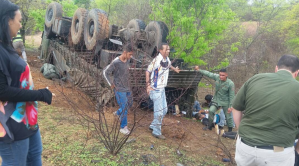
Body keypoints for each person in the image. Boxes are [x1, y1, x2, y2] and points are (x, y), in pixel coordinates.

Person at [0, 0, 53, 165]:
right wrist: (40, 94)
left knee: (35, 156)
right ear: (8, 20)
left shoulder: (6, 46)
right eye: (19, 20)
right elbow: (2, 91)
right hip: (11, 123)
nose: (20, 25)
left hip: (27, 120)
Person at [231, 55, 299, 166]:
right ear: (297, 73)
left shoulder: (255, 79)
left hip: (246, 148)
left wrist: (241, 131)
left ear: (276, 68)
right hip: (278, 153)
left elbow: (236, 108)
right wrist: (297, 151)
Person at [146, 43, 180, 140]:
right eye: (166, 49)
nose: (168, 51)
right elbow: (147, 71)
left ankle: (153, 125)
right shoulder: (156, 60)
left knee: (164, 110)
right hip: (155, 89)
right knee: (159, 112)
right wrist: (148, 85)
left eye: (169, 49)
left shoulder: (166, 59)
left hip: (162, 89)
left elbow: (168, 65)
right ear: (161, 50)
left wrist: (174, 69)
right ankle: (156, 132)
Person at [103, 43, 134, 135]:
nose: (131, 56)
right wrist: (111, 84)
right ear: (124, 52)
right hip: (119, 89)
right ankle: (123, 127)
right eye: (130, 54)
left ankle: (118, 113)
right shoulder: (116, 62)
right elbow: (105, 72)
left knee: (129, 104)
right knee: (124, 107)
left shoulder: (128, 60)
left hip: (127, 88)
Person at [194, 67, 235, 132]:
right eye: (220, 75)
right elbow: (208, 74)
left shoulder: (230, 83)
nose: (221, 76)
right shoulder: (217, 77)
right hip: (216, 100)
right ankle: (209, 126)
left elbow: (232, 96)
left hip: (225, 101)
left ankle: (230, 130)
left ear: (226, 75)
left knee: (228, 116)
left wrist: (231, 106)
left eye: (223, 75)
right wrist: (199, 70)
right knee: (211, 110)